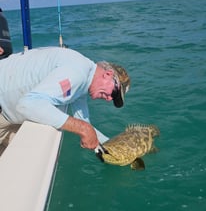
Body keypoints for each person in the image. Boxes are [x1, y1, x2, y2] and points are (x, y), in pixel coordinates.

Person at [0, 46, 130, 152]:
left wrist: (114, 147)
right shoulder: (77, 73)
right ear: (108, 74)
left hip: (7, 113)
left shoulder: (83, 79)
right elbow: (27, 105)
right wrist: (83, 129)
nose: (109, 99)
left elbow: (83, 121)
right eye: (114, 93)